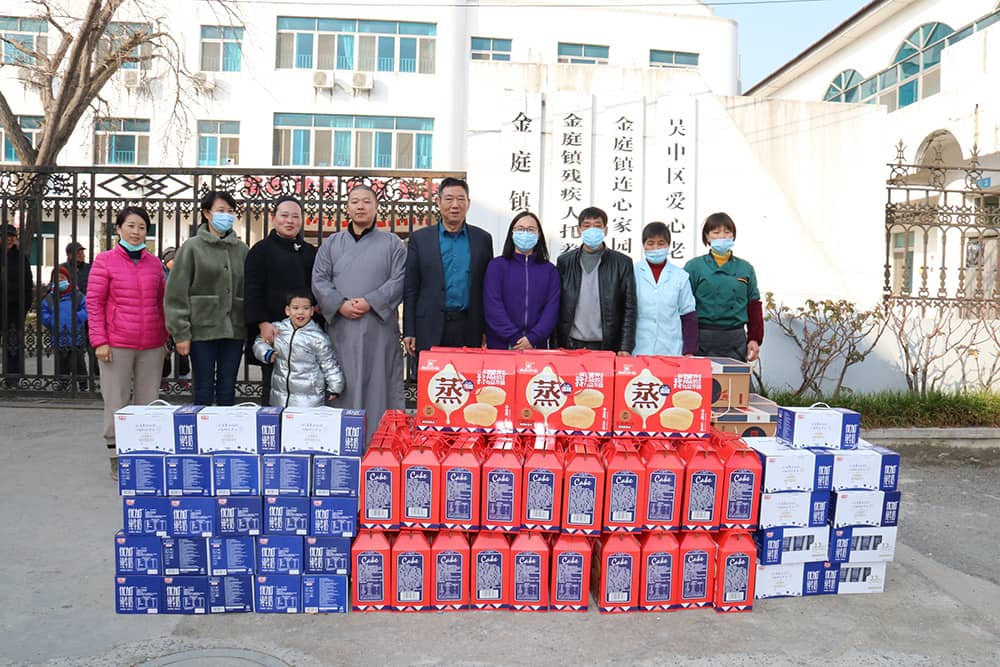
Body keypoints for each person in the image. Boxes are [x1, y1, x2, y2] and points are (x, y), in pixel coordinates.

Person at [313, 185, 406, 430]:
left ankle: (380, 439)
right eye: (355, 201)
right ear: (348, 207)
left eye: (366, 201)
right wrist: (340, 304)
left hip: (378, 328)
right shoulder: (331, 243)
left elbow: (400, 280)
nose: (360, 206)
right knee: (343, 382)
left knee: (379, 384)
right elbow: (319, 279)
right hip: (342, 327)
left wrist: (371, 301)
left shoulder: (393, 244)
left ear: (376, 207)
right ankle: (342, 440)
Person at [87, 206, 168, 451]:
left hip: (152, 343)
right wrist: (100, 341)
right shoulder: (104, 261)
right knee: (116, 399)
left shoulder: (154, 264)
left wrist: (165, 337)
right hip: (116, 343)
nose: (136, 232)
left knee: (148, 400)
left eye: (142, 227)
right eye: (130, 226)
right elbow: (94, 303)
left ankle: (144, 449)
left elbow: (162, 302)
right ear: (118, 229)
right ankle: (115, 449)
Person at [165, 190, 248, 406]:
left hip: (233, 330)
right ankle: (202, 428)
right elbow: (176, 293)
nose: (226, 215)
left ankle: (225, 428)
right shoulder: (192, 247)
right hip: (201, 331)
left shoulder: (241, 249)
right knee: (203, 390)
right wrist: (180, 333)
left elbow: (247, 288)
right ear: (206, 213)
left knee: (227, 390)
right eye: (221, 210)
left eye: (230, 211)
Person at [403, 177, 493, 355]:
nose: (455, 205)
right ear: (438, 202)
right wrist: (409, 330)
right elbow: (411, 288)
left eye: (461, 199)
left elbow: (487, 287)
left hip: (470, 326)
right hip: (429, 326)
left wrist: (486, 329)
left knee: (468, 373)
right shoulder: (420, 239)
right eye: (449, 199)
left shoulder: (482, 239)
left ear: (468, 203)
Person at [244, 195, 318, 405]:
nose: (290, 221)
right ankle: (272, 423)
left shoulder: (310, 252)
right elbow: (252, 289)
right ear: (273, 218)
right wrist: (262, 323)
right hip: (274, 332)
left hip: (305, 334)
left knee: (306, 386)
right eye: (284, 215)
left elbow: (318, 287)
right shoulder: (260, 251)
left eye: (295, 216)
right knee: (273, 386)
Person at [555, 207, 636, 355]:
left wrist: (625, 347)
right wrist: (555, 345)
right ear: (579, 230)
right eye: (587, 225)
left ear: (605, 230)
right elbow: (556, 305)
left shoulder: (622, 263)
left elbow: (629, 308)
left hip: (607, 346)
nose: (592, 230)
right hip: (570, 344)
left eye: (597, 226)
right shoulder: (565, 262)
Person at [683, 212, 763, 362]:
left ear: (733, 236)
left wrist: (754, 338)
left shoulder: (746, 268)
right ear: (707, 237)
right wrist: (688, 344)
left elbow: (754, 306)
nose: (722, 236)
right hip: (702, 339)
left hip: (735, 340)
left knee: (735, 377)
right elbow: (684, 307)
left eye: (727, 232)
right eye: (716, 232)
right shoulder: (694, 267)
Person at [482, 211, 560, 350]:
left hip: (536, 346)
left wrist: (533, 338)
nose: (525, 233)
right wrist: (514, 337)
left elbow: (551, 309)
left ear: (539, 235)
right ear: (512, 233)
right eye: (520, 229)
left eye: (531, 229)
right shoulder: (497, 266)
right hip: (501, 346)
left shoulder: (550, 270)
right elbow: (493, 306)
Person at [252, 291, 345, 407]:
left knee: (303, 419)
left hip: (309, 400)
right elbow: (259, 341)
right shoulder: (278, 330)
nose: (300, 312)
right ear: (287, 310)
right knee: (282, 418)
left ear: (312, 311)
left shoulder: (318, 338)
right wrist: (266, 353)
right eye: (295, 308)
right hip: (280, 396)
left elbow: (329, 363)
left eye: (305, 308)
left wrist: (335, 386)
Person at [634, 222, 699, 356]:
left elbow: (688, 315)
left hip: (671, 349)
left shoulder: (680, 276)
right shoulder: (632, 272)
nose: (655, 248)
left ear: (669, 245)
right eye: (650, 243)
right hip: (638, 348)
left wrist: (689, 350)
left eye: (661, 243)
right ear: (643, 245)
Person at [40, 266, 88, 391]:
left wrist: (77, 317)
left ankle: (83, 383)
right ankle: (63, 382)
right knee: (62, 362)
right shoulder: (49, 298)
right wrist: (51, 321)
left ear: (68, 280)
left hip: (76, 336)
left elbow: (86, 309)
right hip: (58, 336)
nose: (59, 280)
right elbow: (43, 313)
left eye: (62, 278)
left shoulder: (77, 296)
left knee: (78, 361)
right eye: (56, 278)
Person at [1, 223, 33, 384]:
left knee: (13, 344)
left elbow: (28, 283)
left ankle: (12, 379)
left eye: (11, 236)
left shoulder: (21, 257)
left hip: (14, 308)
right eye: (5, 236)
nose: (8, 239)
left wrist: (25, 306)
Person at [158, 247, 190, 383]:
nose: (176, 262)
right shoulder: (161, 274)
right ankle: (164, 378)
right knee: (165, 351)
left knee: (182, 349)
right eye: (172, 259)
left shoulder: (184, 272)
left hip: (181, 316)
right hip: (164, 318)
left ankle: (183, 377)